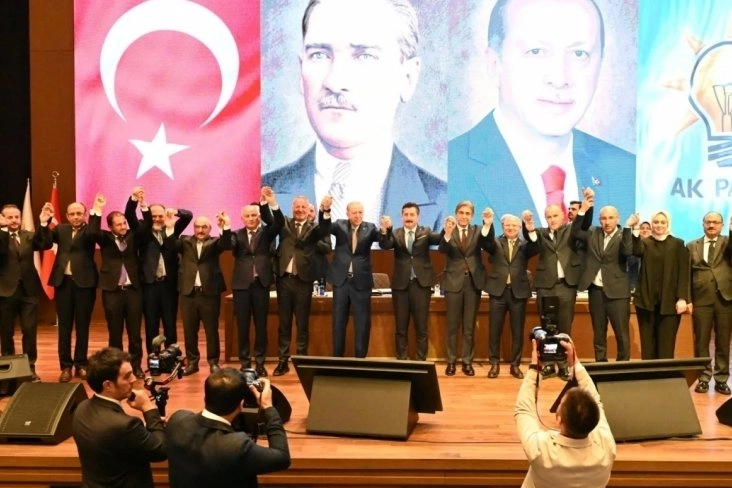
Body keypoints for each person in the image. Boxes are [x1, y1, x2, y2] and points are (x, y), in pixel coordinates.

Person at [262, 0, 445, 229]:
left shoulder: (445, 204)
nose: (334, 81)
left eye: (365, 56)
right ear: (301, 71)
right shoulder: (256, 197)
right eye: (319, 55)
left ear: (407, 78)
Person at [448, 0, 635, 225]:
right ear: (494, 63)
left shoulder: (631, 175)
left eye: (579, 53)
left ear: (601, 64)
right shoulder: (451, 173)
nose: (560, 79)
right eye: (536, 51)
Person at [515, 338, 615, 488]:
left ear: (559, 420)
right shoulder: (606, 446)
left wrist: (535, 367)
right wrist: (576, 364)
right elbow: (596, 401)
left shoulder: (541, 450)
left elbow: (523, 410)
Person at [165, 368, 290, 488]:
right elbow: (282, 457)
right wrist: (267, 406)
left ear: (206, 396)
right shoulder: (237, 446)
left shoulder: (177, 421)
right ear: (241, 403)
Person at [72, 347, 166, 488]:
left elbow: (117, 445)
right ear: (108, 385)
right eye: (127, 376)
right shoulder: (125, 426)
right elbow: (160, 450)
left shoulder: (81, 409)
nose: (134, 379)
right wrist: (149, 408)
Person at [522, 203, 589, 380]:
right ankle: (549, 364)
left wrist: (583, 209)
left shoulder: (570, 231)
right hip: (546, 285)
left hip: (566, 285)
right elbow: (532, 241)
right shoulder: (540, 233)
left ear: (563, 216)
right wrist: (529, 227)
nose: (552, 220)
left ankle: (563, 364)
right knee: (547, 327)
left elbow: (580, 225)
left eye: (555, 216)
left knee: (564, 326)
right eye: (549, 217)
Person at [125, 187, 193, 355]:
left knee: (170, 323)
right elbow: (129, 215)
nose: (156, 219)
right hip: (149, 284)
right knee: (151, 324)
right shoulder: (142, 231)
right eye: (153, 216)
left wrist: (175, 212)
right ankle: (153, 356)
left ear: (165, 216)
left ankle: (171, 357)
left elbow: (188, 216)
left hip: (169, 284)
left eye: (160, 216)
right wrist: (134, 199)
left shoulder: (172, 229)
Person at [570, 189, 634, 363]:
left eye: (611, 218)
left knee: (621, 333)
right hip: (596, 291)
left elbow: (628, 252)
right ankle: (601, 364)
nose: (607, 222)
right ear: (599, 220)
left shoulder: (623, 235)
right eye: (604, 218)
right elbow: (575, 232)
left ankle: (623, 366)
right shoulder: (593, 233)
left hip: (617, 292)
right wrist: (583, 210)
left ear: (617, 219)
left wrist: (628, 228)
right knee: (599, 332)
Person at [166, 212, 232, 375]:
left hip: (209, 293)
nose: (200, 230)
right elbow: (170, 246)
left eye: (204, 227)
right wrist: (169, 227)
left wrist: (225, 227)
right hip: (188, 293)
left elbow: (226, 244)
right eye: (197, 227)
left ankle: (213, 362)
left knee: (211, 330)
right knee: (189, 330)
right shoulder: (185, 241)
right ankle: (192, 362)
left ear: (210, 229)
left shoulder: (215, 243)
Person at [272, 196, 332, 376]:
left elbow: (325, 230)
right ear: (292, 207)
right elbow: (270, 217)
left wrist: (325, 210)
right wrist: (271, 203)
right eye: (297, 206)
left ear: (308, 209)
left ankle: (301, 360)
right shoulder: (284, 223)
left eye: (303, 207)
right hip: (284, 280)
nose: (299, 210)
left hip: (304, 281)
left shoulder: (314, 228)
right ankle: (283, 361)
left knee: (302, 322)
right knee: (284, 323)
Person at [88, 193, 145, 378]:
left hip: (133, 290)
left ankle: (136, 366)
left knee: (135, 334)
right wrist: (97, 209)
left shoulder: (133, 236)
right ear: (110, 226)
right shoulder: (104, 238)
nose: (123, 226)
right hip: (112, 290)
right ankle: (117, 367)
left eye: (124, 223)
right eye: (119, 224)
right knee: (115, 332)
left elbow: (142, 226)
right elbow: (92, 232)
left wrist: (134, 201)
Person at [230, 188, 284, 377]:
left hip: (261, 284)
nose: (251, 218)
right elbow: (227, 245)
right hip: (241, 286)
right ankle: (245, 363)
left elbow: (279, 222)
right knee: (243, 326)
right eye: (248, 216)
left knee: (261, 326)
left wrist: (271, 203)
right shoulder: (235, 234)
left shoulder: (266, 233)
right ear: (242, 218)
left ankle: (260, 363)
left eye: (254, 215)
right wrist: (224, 228)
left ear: (259, 216)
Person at [378, 202, 442, 361]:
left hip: (421, 285)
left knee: (421, 326)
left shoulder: (426, 231)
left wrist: (447, 230)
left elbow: (439, 239)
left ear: (418, 216)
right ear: (402, 216)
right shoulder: (395, 233)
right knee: (401, 327)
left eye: (412, 215)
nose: (409, 218)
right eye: (406, 215)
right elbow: (385, 244)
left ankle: (421, 361)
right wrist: (385, 231)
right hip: (401, 286)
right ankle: (402, 360)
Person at [0, 203, 53, 381]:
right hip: (5, 291)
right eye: (10, 217)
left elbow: (45, 244)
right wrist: (2, 229)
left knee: (29, 331)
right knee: (6, 332)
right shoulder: (1, 236)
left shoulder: (28, 236)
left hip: (29, 291)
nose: (14, 220)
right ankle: (7, 369)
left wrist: (43, 223)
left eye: (17, 217)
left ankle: (30, 368)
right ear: (2, 218)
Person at [439, 201, 492, 376]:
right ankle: (451, 361)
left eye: (467, 213)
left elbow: (488, 244)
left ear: (472, 216)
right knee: (452, 325)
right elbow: (442, 249)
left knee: (469, 326)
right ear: (456, 214)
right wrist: (447, 233)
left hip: (473, 283)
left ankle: (467, 362)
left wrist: (487, 224)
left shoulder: (478, 230)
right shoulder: (449, 229)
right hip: (453, 282)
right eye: (461, 212)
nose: (464, 216)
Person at [48, 201, 99, 382]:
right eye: (72, 214)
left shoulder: (89, 230)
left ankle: (81, 364)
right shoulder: (61, 229)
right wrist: (44, 222)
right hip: (63, 283)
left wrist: (96, 211)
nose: (76, 217)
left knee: (82, 326)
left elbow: (94, 234)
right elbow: (43, 242)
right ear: (67, 216)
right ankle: (65, 366)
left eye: (79, 213)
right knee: (64, 327)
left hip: (85, 283)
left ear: (84, 215)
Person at [484, 213, 539, 379]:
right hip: (498, 291)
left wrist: (530, 229)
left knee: (517, 331)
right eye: (508, 225)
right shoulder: (495, 242)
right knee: (494, 330)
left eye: (515, 225)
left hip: (518, 292)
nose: (511, 228)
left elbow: (536, 246)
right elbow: (485, 241)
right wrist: (487, 224)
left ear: (519, 228)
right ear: (502, 226)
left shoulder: (525, 244)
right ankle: (494, 364)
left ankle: (515, 365)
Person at [632, 211, 689, 359]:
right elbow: (636, 251)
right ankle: (649, 373)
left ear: (668, 224)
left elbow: (684, 272)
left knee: (666, 345)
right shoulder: (645, 243)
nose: (659, 225)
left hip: (669, 302)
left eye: (663, 222)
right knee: (647, 344)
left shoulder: (678, 244)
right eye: (656, 222)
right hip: (646, 302)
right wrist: (636, 230)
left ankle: (665, 373)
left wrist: (682, 298)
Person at [687, 212, 732, 395]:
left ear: (722, 225)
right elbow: (686, 275)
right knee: (701, 341)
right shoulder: (691, 245)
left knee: (723, 341)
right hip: (700, 299)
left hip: (725, 298)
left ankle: (721, 379)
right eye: (708, 222)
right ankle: (703, 378)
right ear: (703, 224)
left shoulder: (728, 242)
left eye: (715, 222)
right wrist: (688, 299)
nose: (711, 225)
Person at [329, 201, 381, 357]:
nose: (358, 216)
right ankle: (337, 358)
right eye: (354, 213)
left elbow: (385, 243)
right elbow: (324, 228)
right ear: (347, 213)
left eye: (360, 212)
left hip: (361, 282)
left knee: (362, 323)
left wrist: (387, 230)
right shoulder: (339, 225)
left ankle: (360, 359)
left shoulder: (370, 228)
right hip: (342, 282)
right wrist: (324, 210)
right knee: (338, 322)